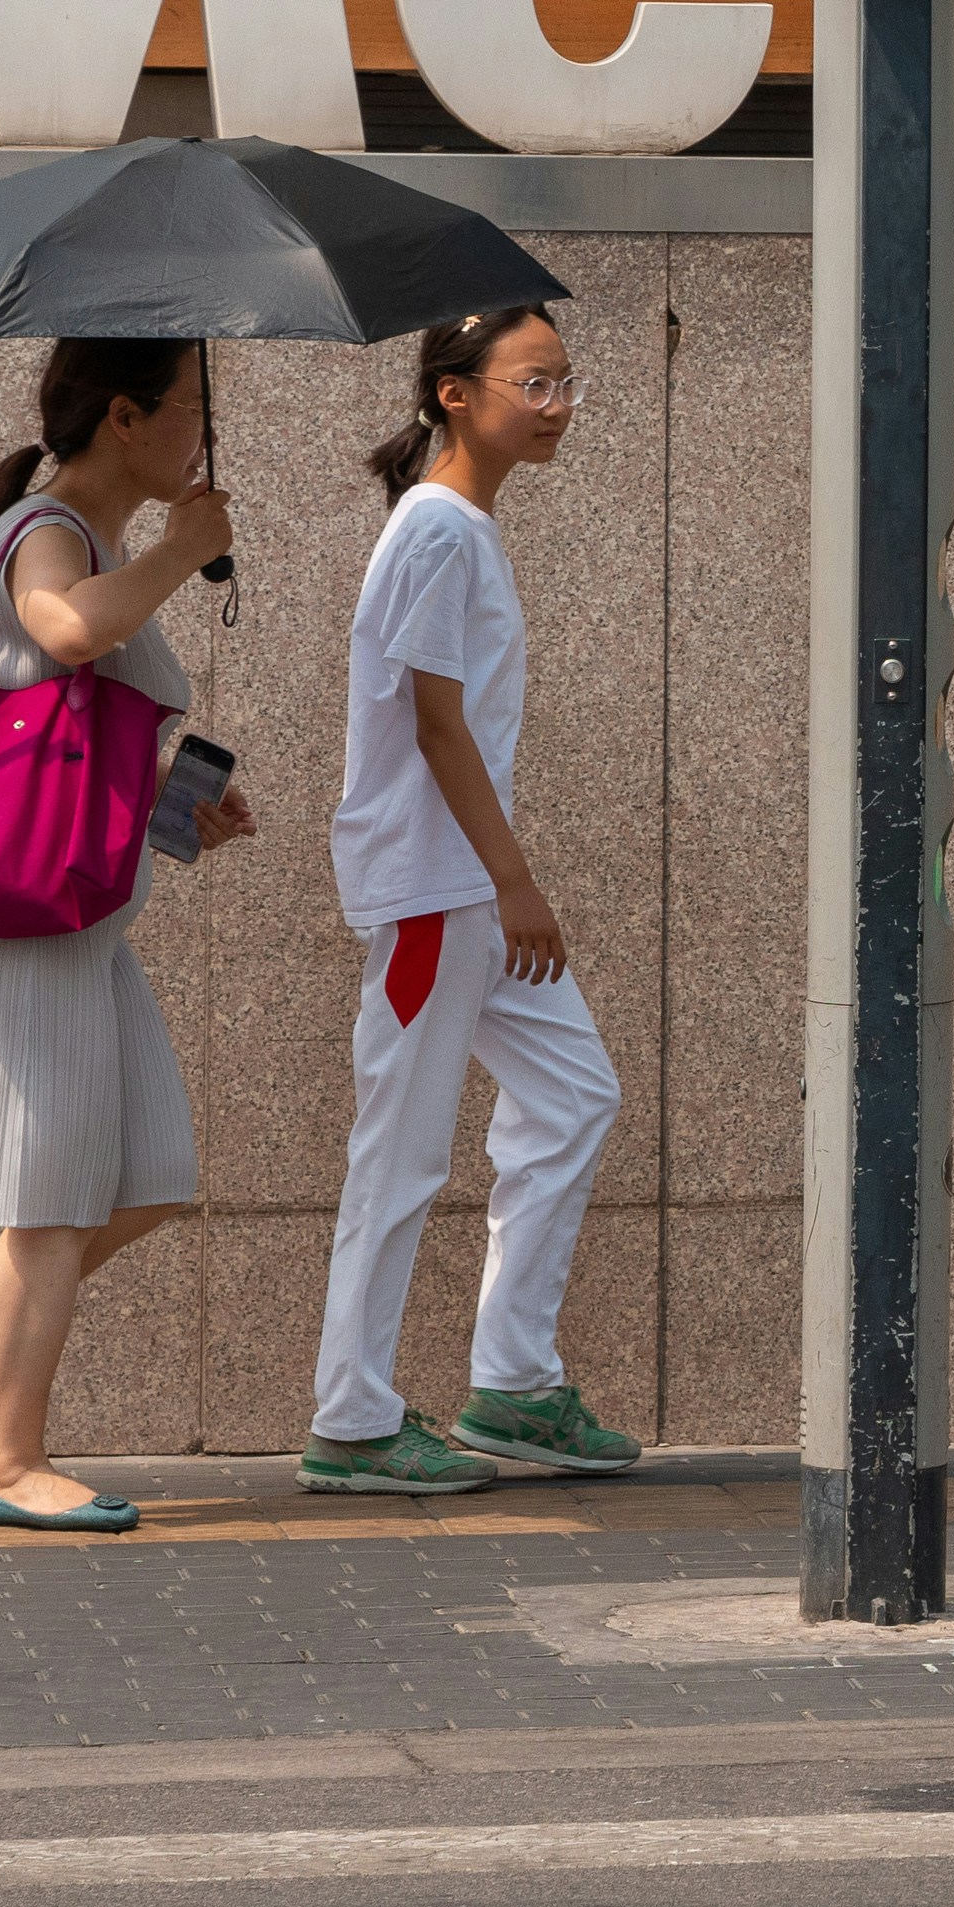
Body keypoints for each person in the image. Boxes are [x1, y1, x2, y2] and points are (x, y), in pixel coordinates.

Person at [0, 338, 250, 1532]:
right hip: (20, 928)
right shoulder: (44, 531)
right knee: (50, 1197)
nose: (202, 435)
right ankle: (10, 1461)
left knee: (150, 1174)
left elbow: (75, 731)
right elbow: (62, 633)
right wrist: (185, 550)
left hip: (74, 922)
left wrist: (180, 805)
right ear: (126, 416)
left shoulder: (93, 538)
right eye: (190, 409)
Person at [303, 304, 634, 1495]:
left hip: (464, 892)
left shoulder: (459, 529)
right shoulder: (437, 531)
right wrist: (514, 880)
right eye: (532, 384)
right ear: (454, 393)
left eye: (563, 383)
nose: (556, 406)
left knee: (573, 1094)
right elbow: (433, 722)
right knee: (396, 1155)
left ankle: (514, 1387)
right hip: (441, 891)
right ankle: (350, 1418)